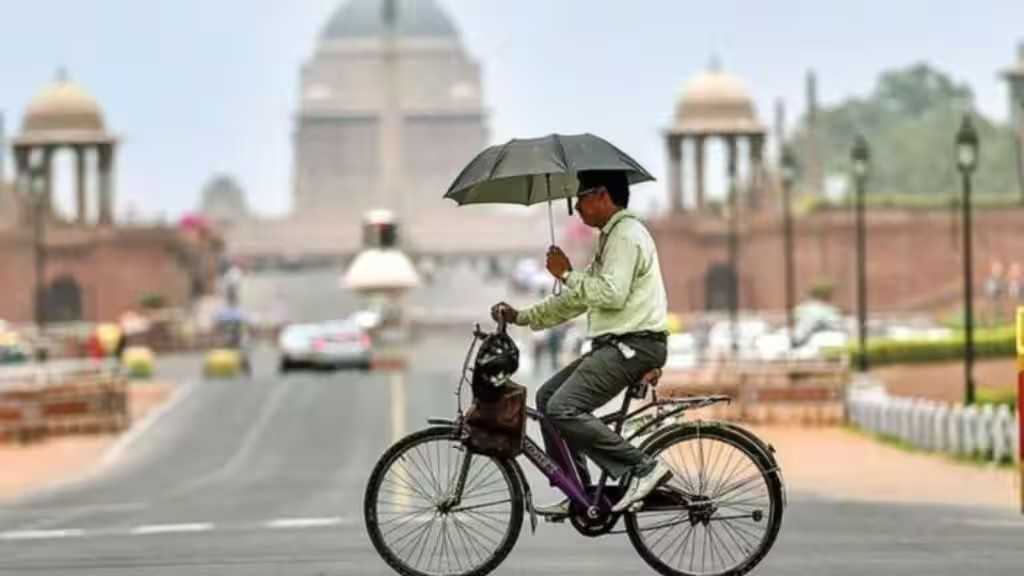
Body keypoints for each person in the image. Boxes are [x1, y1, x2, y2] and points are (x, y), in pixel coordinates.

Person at [491, 169, 670, 515]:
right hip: (618, 346)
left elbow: (611, 294)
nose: (575, 209)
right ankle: (580, 490)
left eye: (580, 199)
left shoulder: (626, 235)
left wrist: (567, 274)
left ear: (602, 195)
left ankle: (643, 467)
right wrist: (521, 317)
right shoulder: (610, 238)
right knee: (546, 399)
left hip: (634, 346)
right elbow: (578, 299)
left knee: (563, 408)